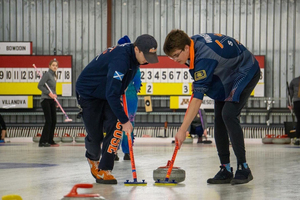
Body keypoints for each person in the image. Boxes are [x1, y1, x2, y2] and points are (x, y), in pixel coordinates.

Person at [163, 30, 260, 185]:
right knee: (219, 119)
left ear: (186, 48)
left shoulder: (204, 57)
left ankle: (244, 168)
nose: (174, 60)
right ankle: (225, 169)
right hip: (227, 74)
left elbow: (197, 99)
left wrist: (183, 129)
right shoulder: (192, 46)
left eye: (176, 55)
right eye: (171, 57)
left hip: (245, 70)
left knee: (228, 114)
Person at [76, 34, 158, 184]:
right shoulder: (121, 60)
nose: (147, 60)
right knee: (96, 135)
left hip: (107, 92)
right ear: (137, 49)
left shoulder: (134, 59)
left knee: (116, 126)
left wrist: (122, 119)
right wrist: (125, 120)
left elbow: (115, 90)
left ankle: (105, 169)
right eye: (146, 56)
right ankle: (92, 158)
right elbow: (112, 93)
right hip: (89, 92)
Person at [114, 35, 142, 161]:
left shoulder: (116, 61)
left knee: (115, 123)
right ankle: (127, 151)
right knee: (129, 123)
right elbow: (137, 84)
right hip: (130, 95)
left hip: (116, 94)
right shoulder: (135, 66)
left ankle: (113, 150)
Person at [37, 59, 59, 147]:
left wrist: (55, 99)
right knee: (49, 120)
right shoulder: (47, 74)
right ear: (49, 66)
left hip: (51, 100)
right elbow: (39, 85)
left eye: (56, 65)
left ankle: (50, 140)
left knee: (54, 120)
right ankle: (42, 141)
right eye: (53, 65)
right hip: (45, 100)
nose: (55, 67)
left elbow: (53, 90)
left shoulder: (54, 76)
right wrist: (48, 93)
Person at [288, 76, 300, 145]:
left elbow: (290, 94)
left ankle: (298, 138)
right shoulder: (294, 81)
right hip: (297, 102)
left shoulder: (294, 81)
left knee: (299, 120)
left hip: (297, 103)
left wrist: (289, 104)